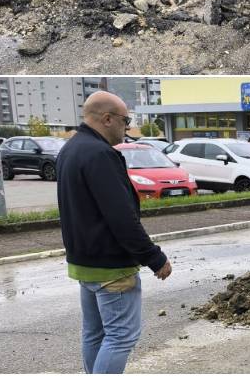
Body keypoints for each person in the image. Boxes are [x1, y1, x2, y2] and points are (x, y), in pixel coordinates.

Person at [57, 91, 172, 374]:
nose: (127, 127)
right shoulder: (100, 155)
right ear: (107, 119)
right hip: (111, 267)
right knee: (121, 337)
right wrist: (154, 257)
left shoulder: (70, 149)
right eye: (125, 120)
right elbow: (121, 217)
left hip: (84, 262)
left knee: (94, 334)